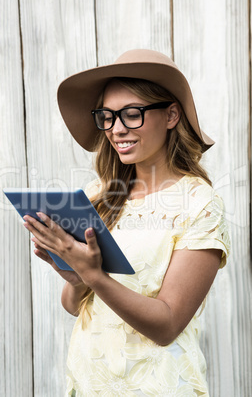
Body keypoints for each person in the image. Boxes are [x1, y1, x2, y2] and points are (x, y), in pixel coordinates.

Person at [23, 49, 231, 396]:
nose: (117, 129)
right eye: (107, 116)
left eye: (132, 114)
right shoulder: (99, 195)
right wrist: (75, 279)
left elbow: (167, 325)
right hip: (89, 385)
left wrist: (93, 275)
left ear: (171, 115)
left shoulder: (199, 203)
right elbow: (75, 307)